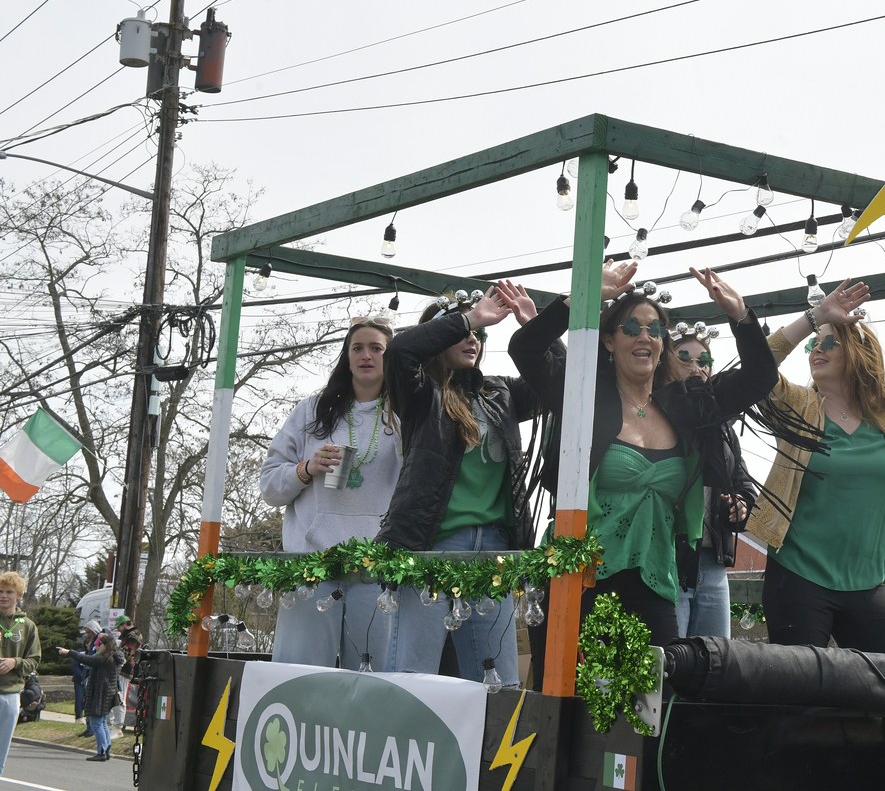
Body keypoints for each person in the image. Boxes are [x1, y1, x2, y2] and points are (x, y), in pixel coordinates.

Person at [506, 263, 779, 661]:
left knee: (652, 702)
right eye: (632, 328)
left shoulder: (687, 404)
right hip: (576, 575)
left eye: (655, 330)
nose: (645, 336)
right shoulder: (582, 395)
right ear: (610, 341)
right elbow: (525, 349)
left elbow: (760, 377)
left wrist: (740, 315)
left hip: (654, 579)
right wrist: (582, 298)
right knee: (568, 708)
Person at [745, 281, 885, 653]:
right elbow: (757, 365)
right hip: (799, 577)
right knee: (798, 696)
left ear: (856, 352)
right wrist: (814, 318)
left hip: (868, 581)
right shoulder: (797, 406)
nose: (816, 349)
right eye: (812, 344)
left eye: (828, 342)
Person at [374, 285, 554, 686]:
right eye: (463, 333)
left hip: (495, 550)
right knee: (413, 677)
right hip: (431, 545)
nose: (473, 339)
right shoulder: (420, 393)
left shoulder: (502, 393)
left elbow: (561, 383)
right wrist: (470, 317)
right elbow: (401, 351)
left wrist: (538, 327)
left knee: (500, 685)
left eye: (480, 335)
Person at [260, 316, 403, 670]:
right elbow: (269, 486)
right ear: (347, 356)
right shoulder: (312, 411)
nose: (366, 355)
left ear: (392, 357)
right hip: (312, 568)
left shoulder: (406, 415)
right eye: (357, 348)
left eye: (376, 348)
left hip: (376, 571)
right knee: (299, 678)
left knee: (372, 685)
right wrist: (306, 469)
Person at [669, 326, 758, 638]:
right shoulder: (657, 418)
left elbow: (742, 482)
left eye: (704, 361)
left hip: (713, 560)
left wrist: (741, 507)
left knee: (715, 665)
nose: (696, 368)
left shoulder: (722, 428)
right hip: (670, 559)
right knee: (668, 664)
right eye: (685, 360)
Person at [0, 571, 40, 775]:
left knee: (0, 752)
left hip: (10, 695)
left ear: (19, 595)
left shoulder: (28, 627)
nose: (3, 596)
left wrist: (14, 662)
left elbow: (34, 661)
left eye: (9, 592)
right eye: (0, 591)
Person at [60, 631, 122, 762]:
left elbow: (86, 659)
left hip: (100, 694)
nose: (97, 648)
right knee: (103, 722)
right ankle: (106, 749)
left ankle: (101, 751)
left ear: (105, 645)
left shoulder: (105, 659)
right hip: (106, 694)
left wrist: (68, 652)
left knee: (96, 723)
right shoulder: (113, 657)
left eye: (98, 645)